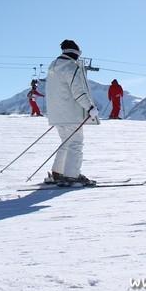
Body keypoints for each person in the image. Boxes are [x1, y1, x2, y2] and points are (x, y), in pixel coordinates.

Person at [44, 40, 100, 187]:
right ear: (75, 53)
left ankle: (58, 173)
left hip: (56, 114)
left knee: (66, 142)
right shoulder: (71, 67)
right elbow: (78, 91)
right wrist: (90, 107)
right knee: (75, 144)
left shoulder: (53, 66)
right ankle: (72, 176)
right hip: (71, 114)